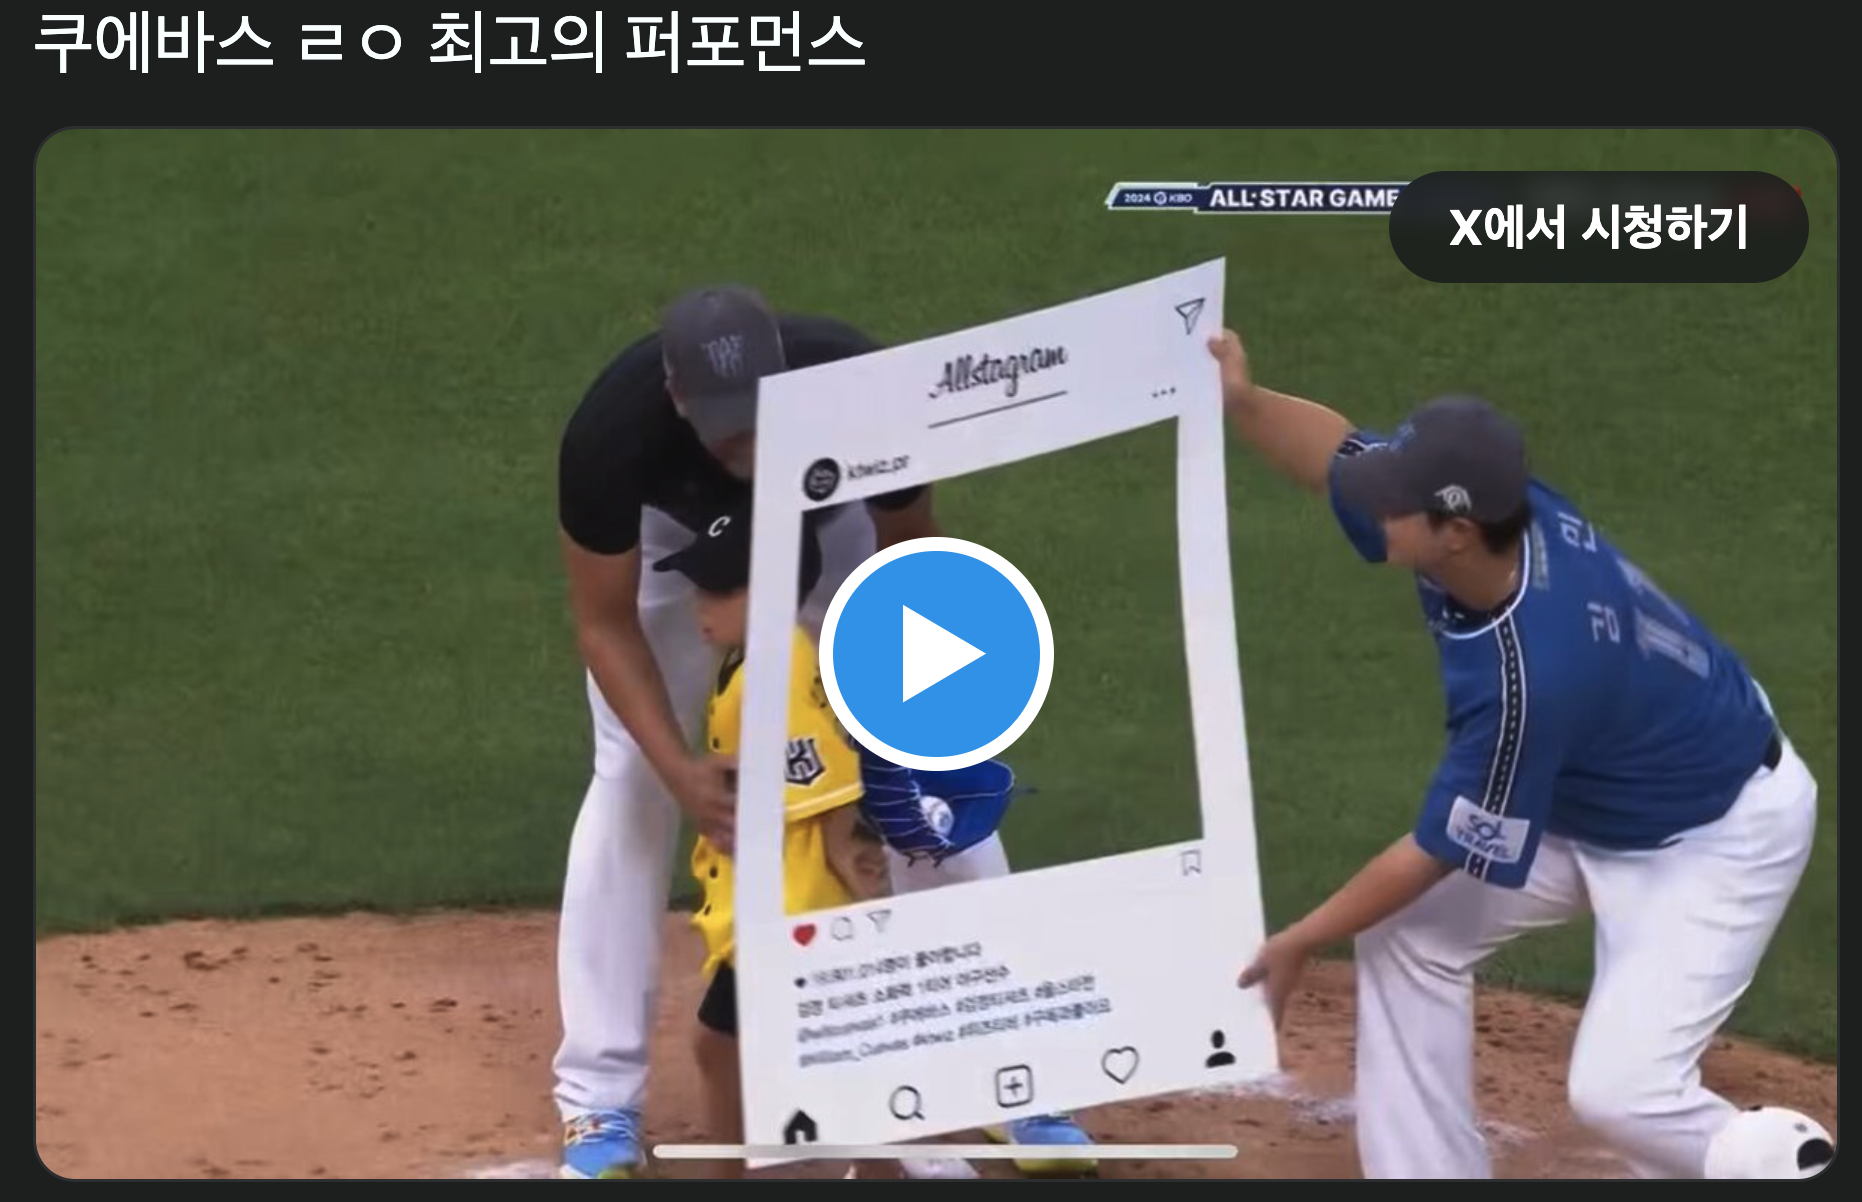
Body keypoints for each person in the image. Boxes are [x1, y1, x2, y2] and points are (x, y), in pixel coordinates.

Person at [1209, 329, 1821, 1179]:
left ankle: (1792, 1166)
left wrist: (1300, 939)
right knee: (1406, 936)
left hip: (1715, 833)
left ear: (1456, 531)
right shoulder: (1480, 528)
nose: (1373, 504)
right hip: (1598, 785)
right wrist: (1244, 402)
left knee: (1622, 1093)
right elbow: (1334, 455)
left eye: (1395, 501)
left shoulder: (1532, 671)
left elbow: (1438, 848)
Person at [553, 284, 1092, 1178]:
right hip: (675, 541)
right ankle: (599, 1102)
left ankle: (1013, 1075)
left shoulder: (859, 383)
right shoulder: (613, 436)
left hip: (827, 515)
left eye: (760, 412)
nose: (746, 439)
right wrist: (681, 770)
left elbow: (910, 545)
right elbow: (604, 624)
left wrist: (905, 702)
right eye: (725, 424)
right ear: (678, 397)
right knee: (631, 778)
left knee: (931, 754)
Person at [649, 502, 896, 1179]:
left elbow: (832, 792)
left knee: (722, 1045)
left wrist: (859, 888)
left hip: (791, 913)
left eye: (719, 590)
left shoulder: (775, 671)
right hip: (782, 905)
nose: (701, 605)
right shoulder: (762, 658)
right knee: (819, 1053)